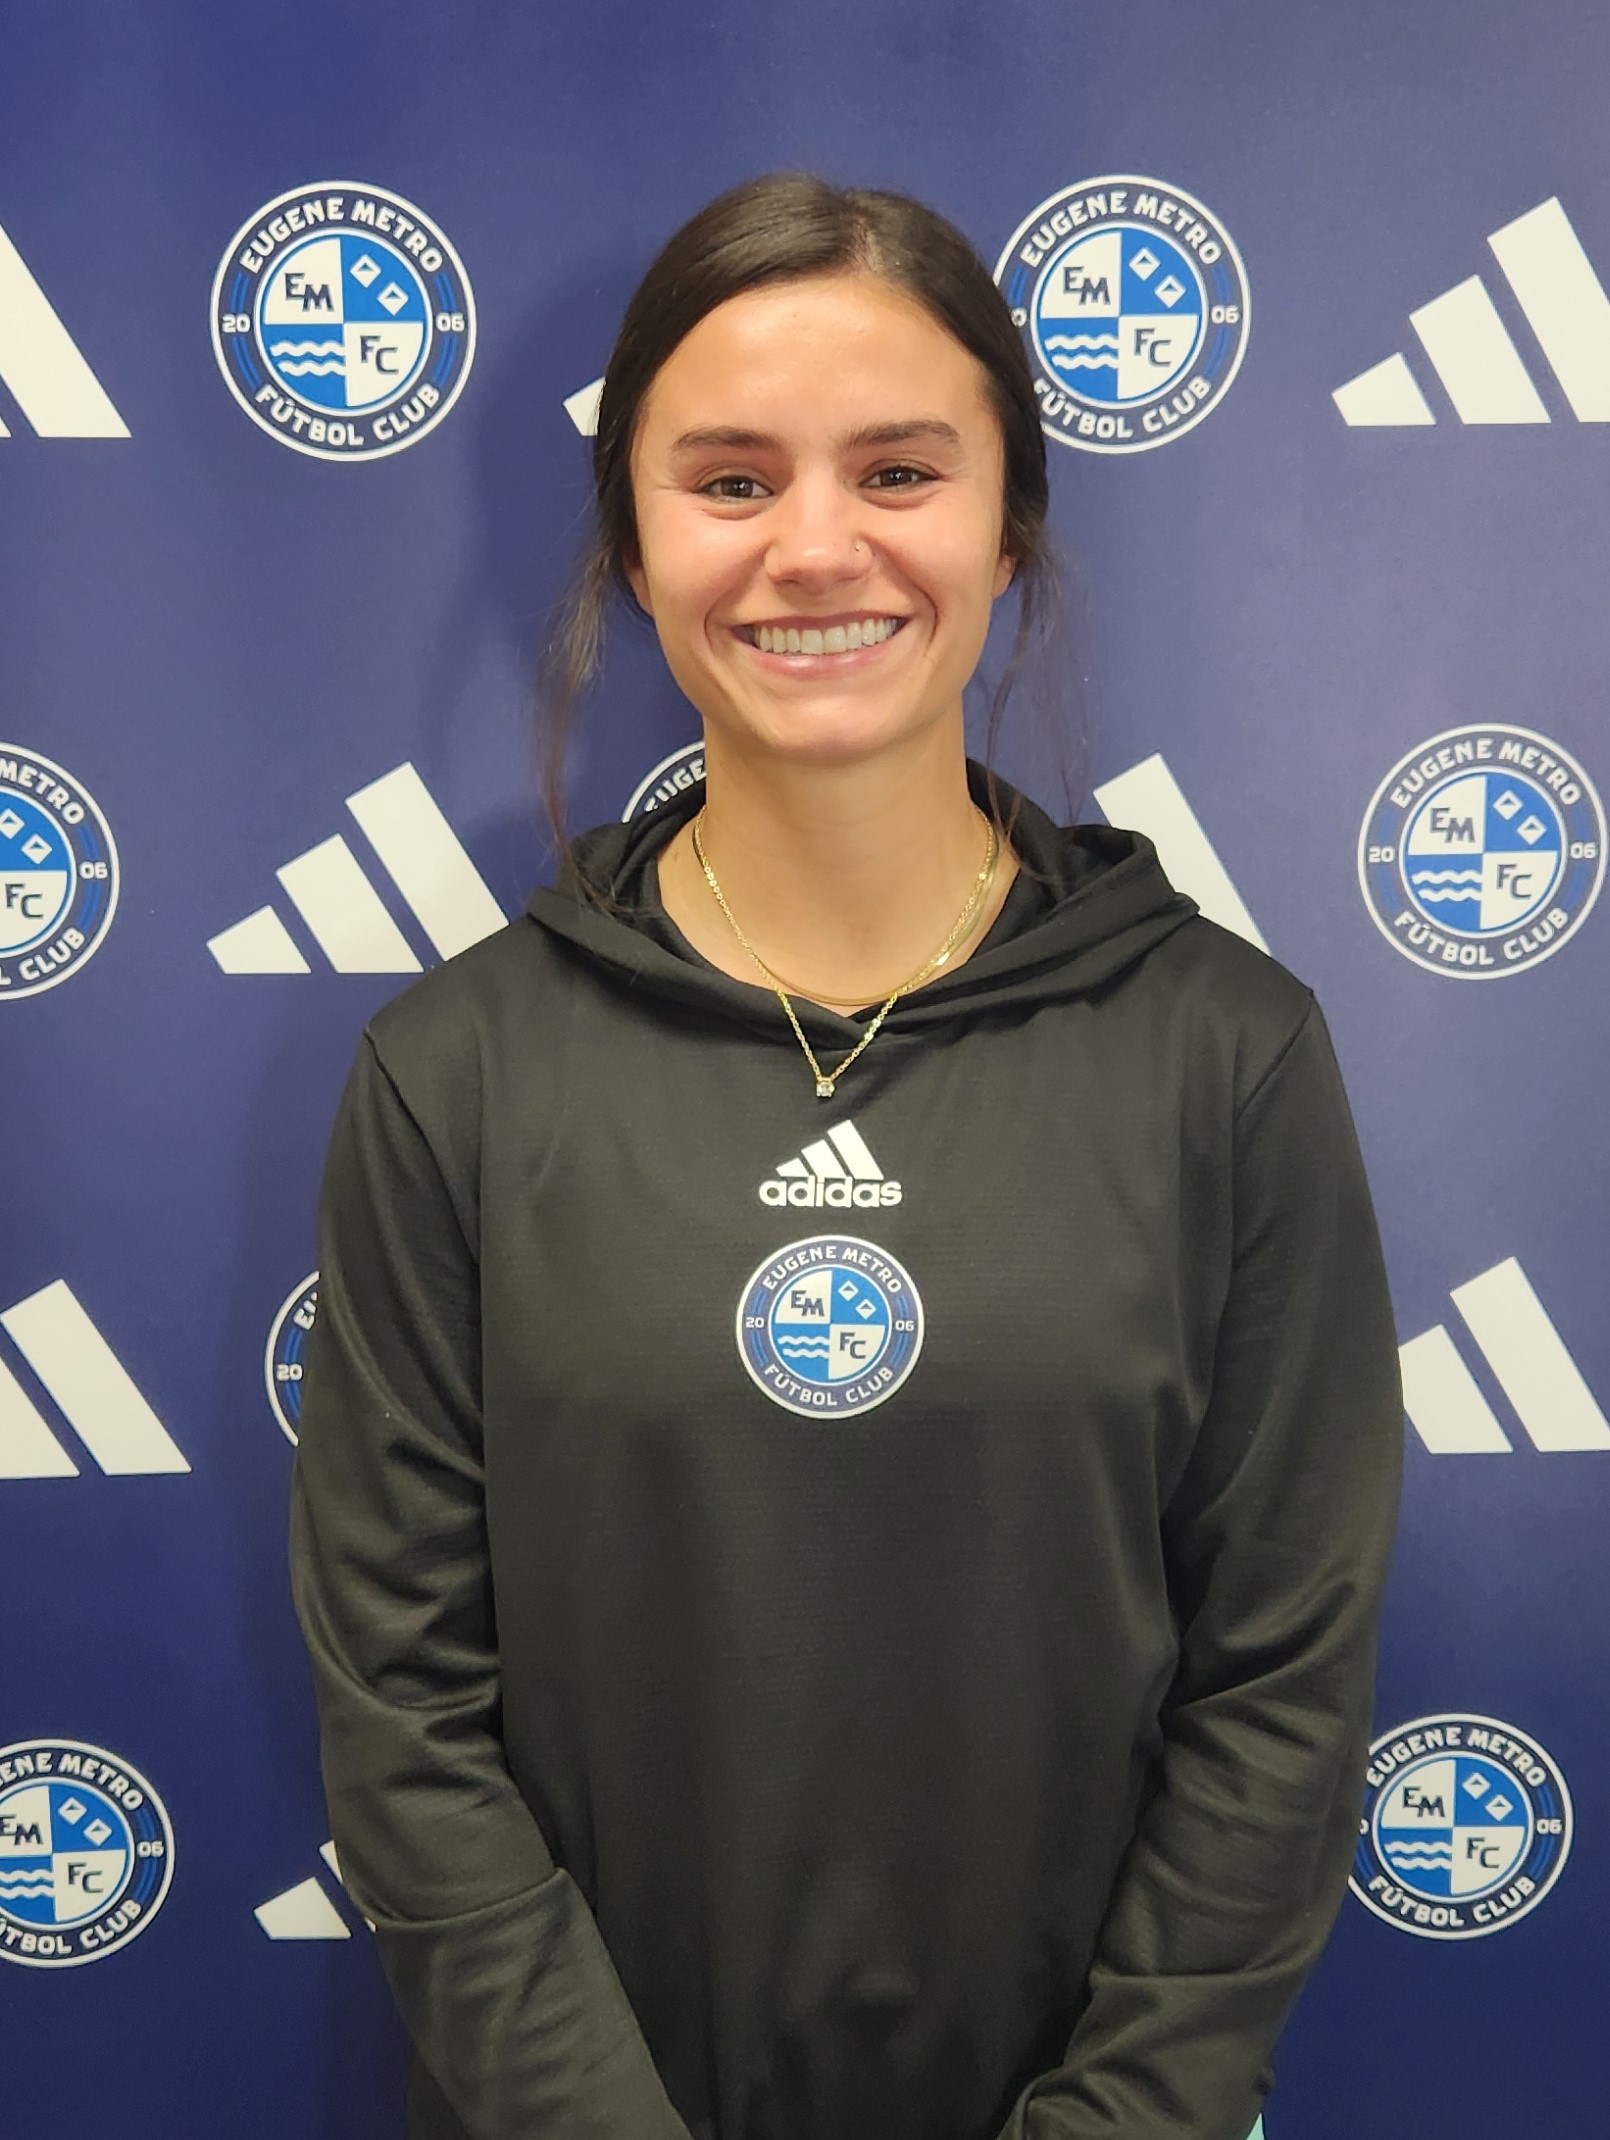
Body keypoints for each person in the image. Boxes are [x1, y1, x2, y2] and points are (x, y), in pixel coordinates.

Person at [289, 170, 1404, 2140]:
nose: (814, 547)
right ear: (634, 548)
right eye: (729, 480)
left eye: (898, 470)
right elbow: (405, 1709)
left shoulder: (1223, 1053)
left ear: (1007, 525)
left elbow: (1281, 1684)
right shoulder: (453, 1072)